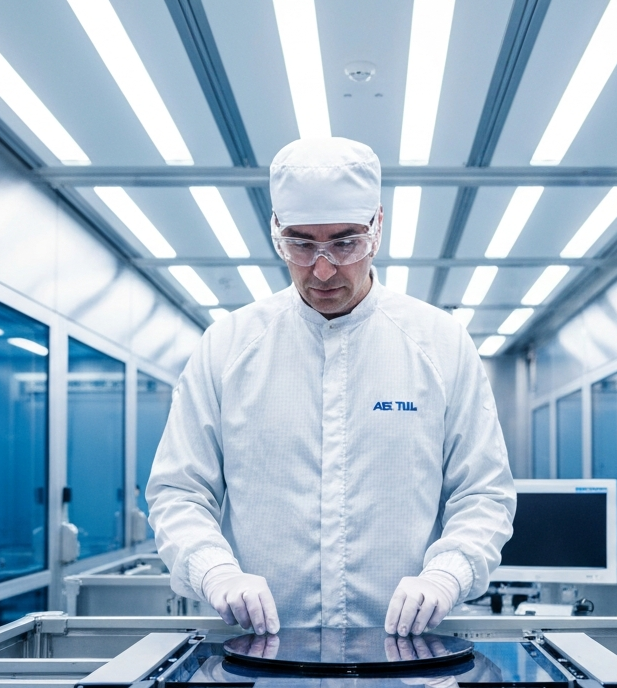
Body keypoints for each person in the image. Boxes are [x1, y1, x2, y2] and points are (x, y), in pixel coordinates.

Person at [147, 137, 515, 637]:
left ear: (378, 228)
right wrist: (214, 569)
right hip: (257, 652)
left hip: (406, 652)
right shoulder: (228, 347)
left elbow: (484, 492)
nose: (322, 269)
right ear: (276, 232)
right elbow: (179, 491)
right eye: (301, 244)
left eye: (345, 243)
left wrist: (449, 571)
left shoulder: (440, 344)